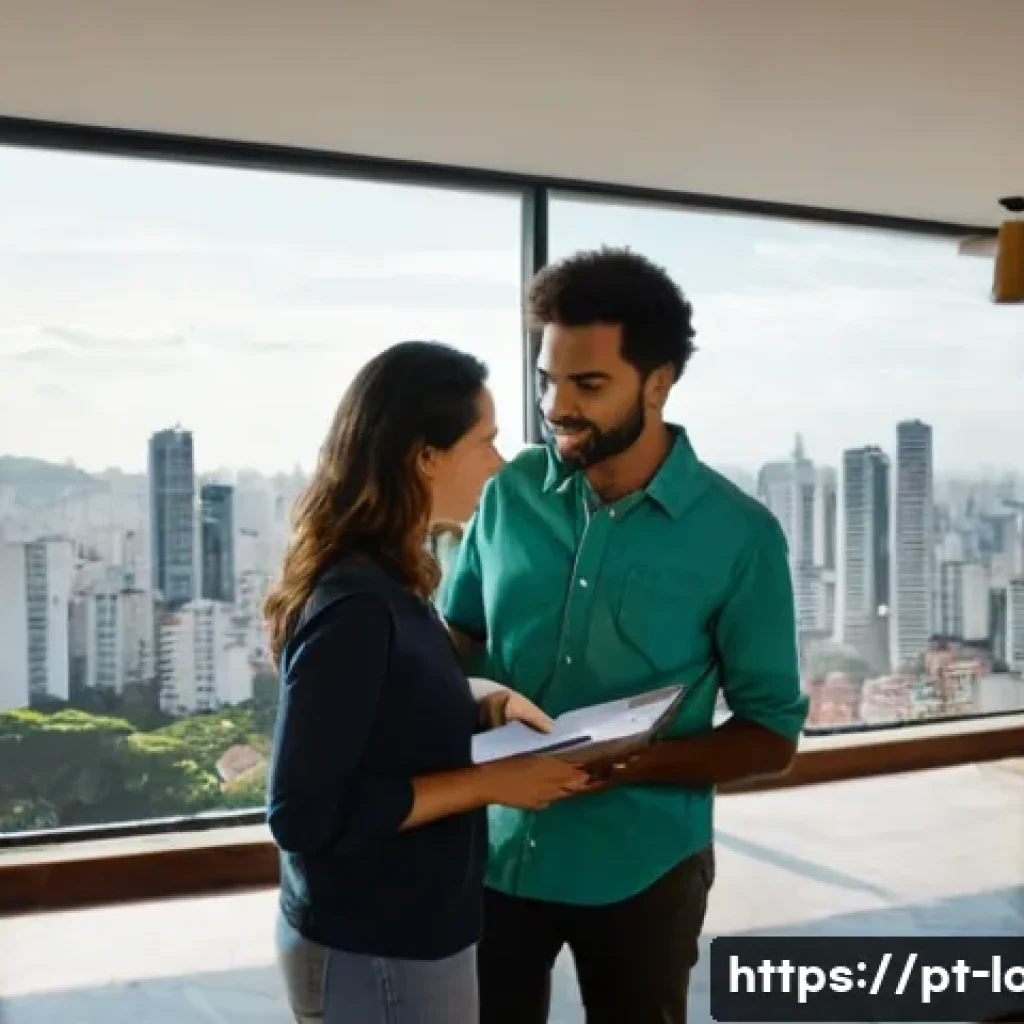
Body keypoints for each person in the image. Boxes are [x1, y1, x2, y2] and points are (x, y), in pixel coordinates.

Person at [438, 248, 810, 1024]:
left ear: (659, 382)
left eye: (588, 384)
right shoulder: (508, 496)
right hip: (493, 856)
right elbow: (458, 636)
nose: (556, 405)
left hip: (645, 869)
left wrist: (632, 765)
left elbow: (769, 736)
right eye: (547, 379)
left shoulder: (739, 536)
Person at [263, 340, 590, 1024]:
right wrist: (493, 784)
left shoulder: (393, 579)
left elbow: (388, 706)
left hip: (410, 930)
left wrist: (483, 700)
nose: (500, 464)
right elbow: (302, 814)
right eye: (486, 441)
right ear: (425, 456)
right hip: (375, 942)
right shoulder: (355, 606)